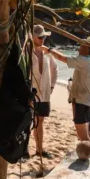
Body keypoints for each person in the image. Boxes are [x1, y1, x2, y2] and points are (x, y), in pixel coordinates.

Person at [49, 42, 90, 145]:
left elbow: (63, 58)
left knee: (82, 136)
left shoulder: (84, 60)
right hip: (88, 102)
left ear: (88, 50)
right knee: (86, 134)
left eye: (82, 47)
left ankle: (88, 157)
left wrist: (50, 50)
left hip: (80, 101)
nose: (79, 49)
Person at [30, 25, 59, 158]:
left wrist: (52, 86)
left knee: (40, 120)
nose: (43, 39)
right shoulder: (27, 51)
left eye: (44, 37)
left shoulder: (48, 53)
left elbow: (55, 69)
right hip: (31, 92)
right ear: (33, 37)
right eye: (40, 37)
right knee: (28, 120)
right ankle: (24, 149)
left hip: (44, 92)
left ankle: (39, 149)